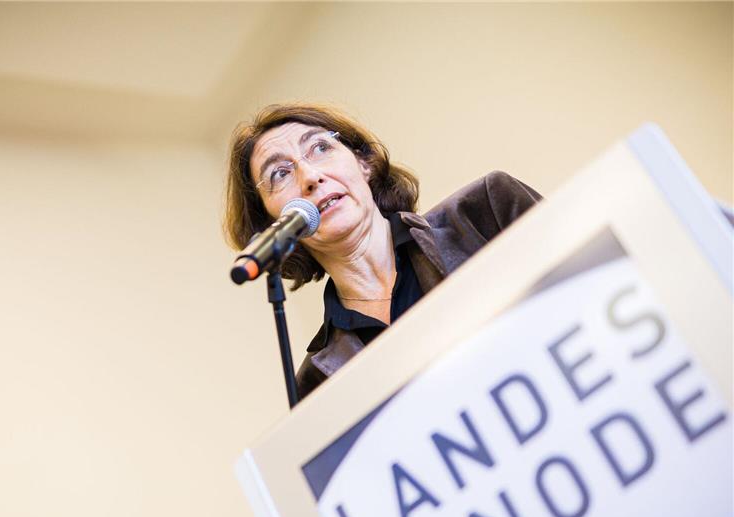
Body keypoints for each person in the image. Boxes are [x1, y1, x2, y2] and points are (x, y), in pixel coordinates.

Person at [224, 103, 542, 399]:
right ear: (271, 224)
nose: (309, 177)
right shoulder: (318, 385)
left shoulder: (486, 211)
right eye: (280, 173)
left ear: (365, 163)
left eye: (320, 148)